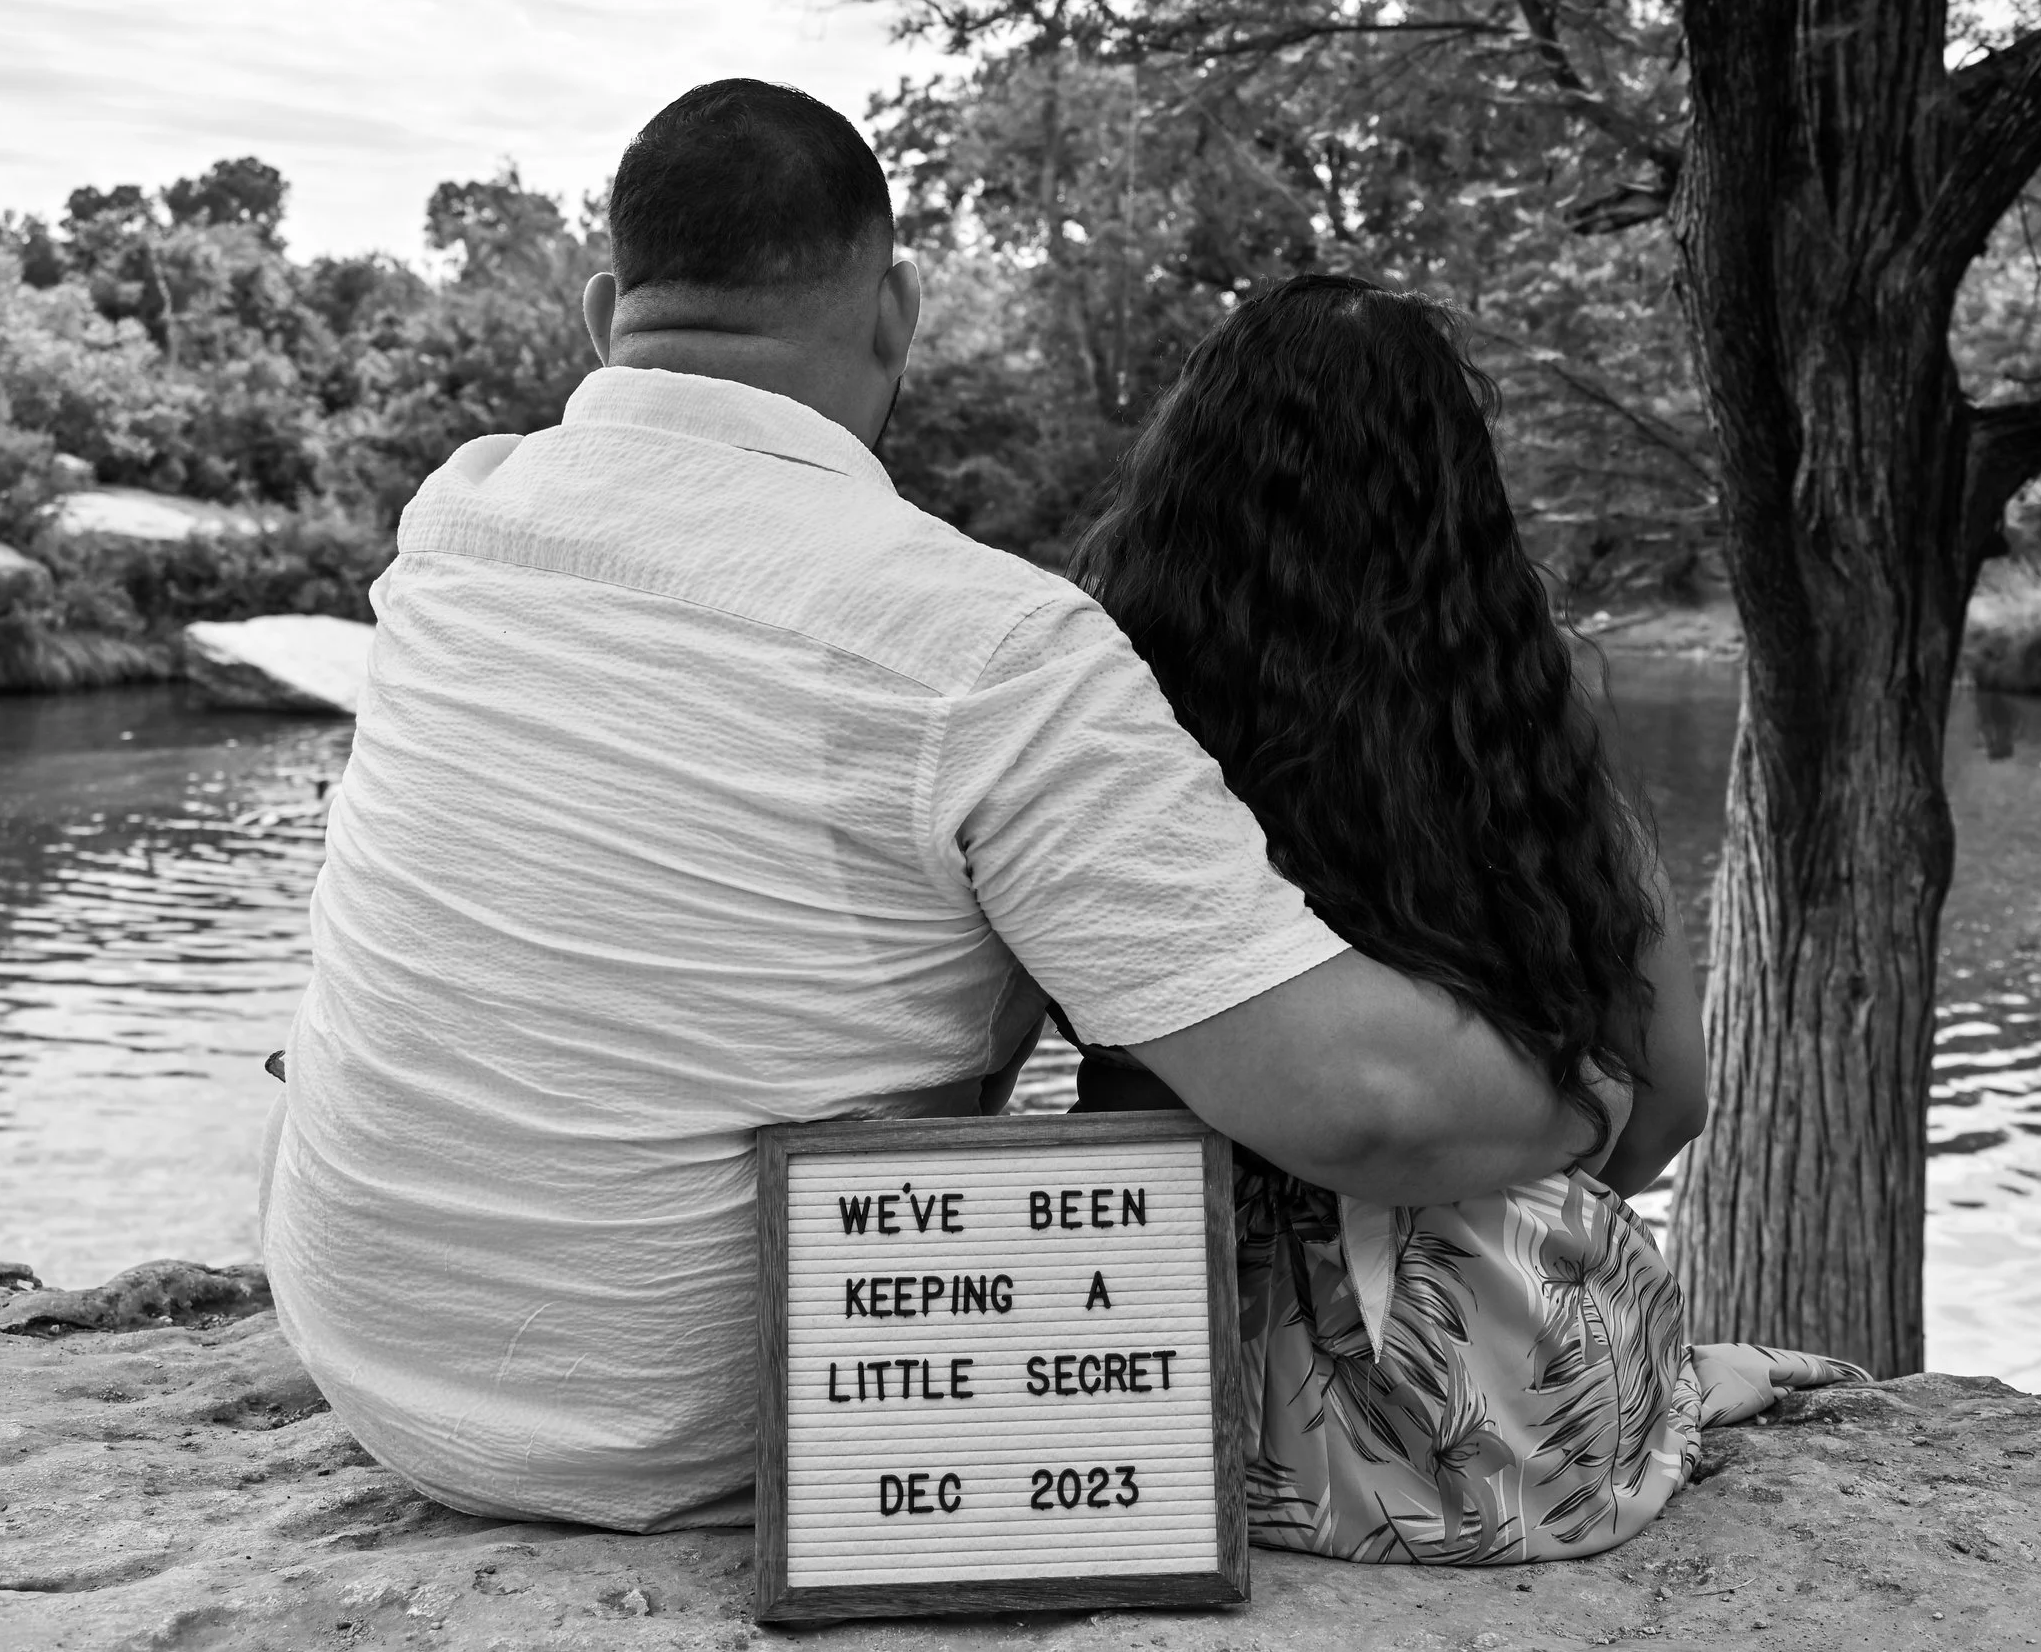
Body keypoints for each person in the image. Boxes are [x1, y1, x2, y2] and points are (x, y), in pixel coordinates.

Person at [259, 83, 1618, 1533]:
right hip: (705, 1427)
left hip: (365, 1353)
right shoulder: (983, 641)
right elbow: (1360, 1107)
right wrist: (1586, 1090)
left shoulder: (459, 516)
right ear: (899, 311)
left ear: (606, 313)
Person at [1065, 275, 1863, 1565]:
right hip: (1526, 1409)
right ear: (1461, 500)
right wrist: (1494, 1179)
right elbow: (1671, 1101)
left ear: (1180, 478)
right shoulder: (1532, 725)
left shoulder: (1102, 710)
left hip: (1156, 1381)